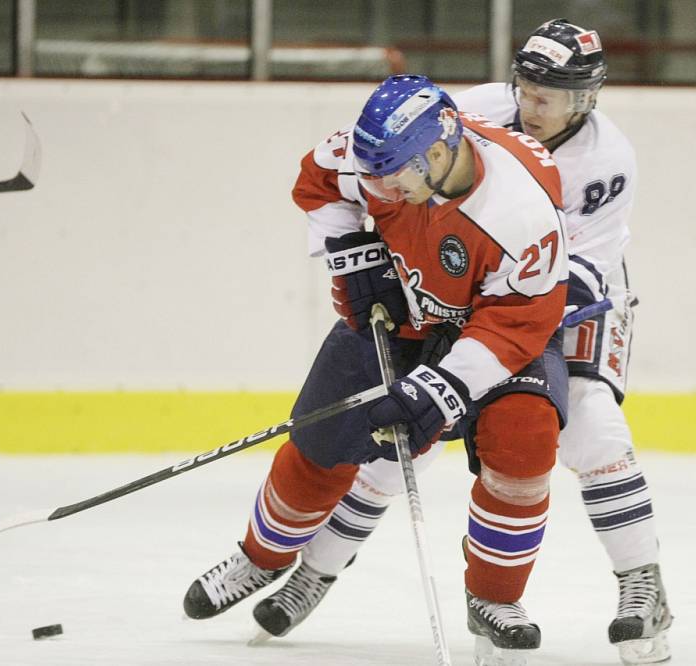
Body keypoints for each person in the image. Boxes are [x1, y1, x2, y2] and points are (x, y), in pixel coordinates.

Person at [251, 19, 673, 666]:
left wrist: (476, 341)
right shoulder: (473, 112)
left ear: (584, 99)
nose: (528, 106)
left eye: (546, 97)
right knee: (403, 442)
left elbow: (571, 275)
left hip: (569, 294)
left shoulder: (607, 160)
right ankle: (318, 568)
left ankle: (643, 581)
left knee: (589, 425)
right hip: (475, 290)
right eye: (524, 87)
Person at [182, 74, 570, 665]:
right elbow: (318, 180)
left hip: (502, 328)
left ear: (440, 150)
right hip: (404, 313)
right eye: (376, 176)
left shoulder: (520, 209)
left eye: (398, 177)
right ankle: (263, 557)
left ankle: (496, 598)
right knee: (319, 440)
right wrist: (353, 256)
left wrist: (441, 388)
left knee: (525, 441)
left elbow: (519, 320)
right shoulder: (383, 154)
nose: (383, 189)